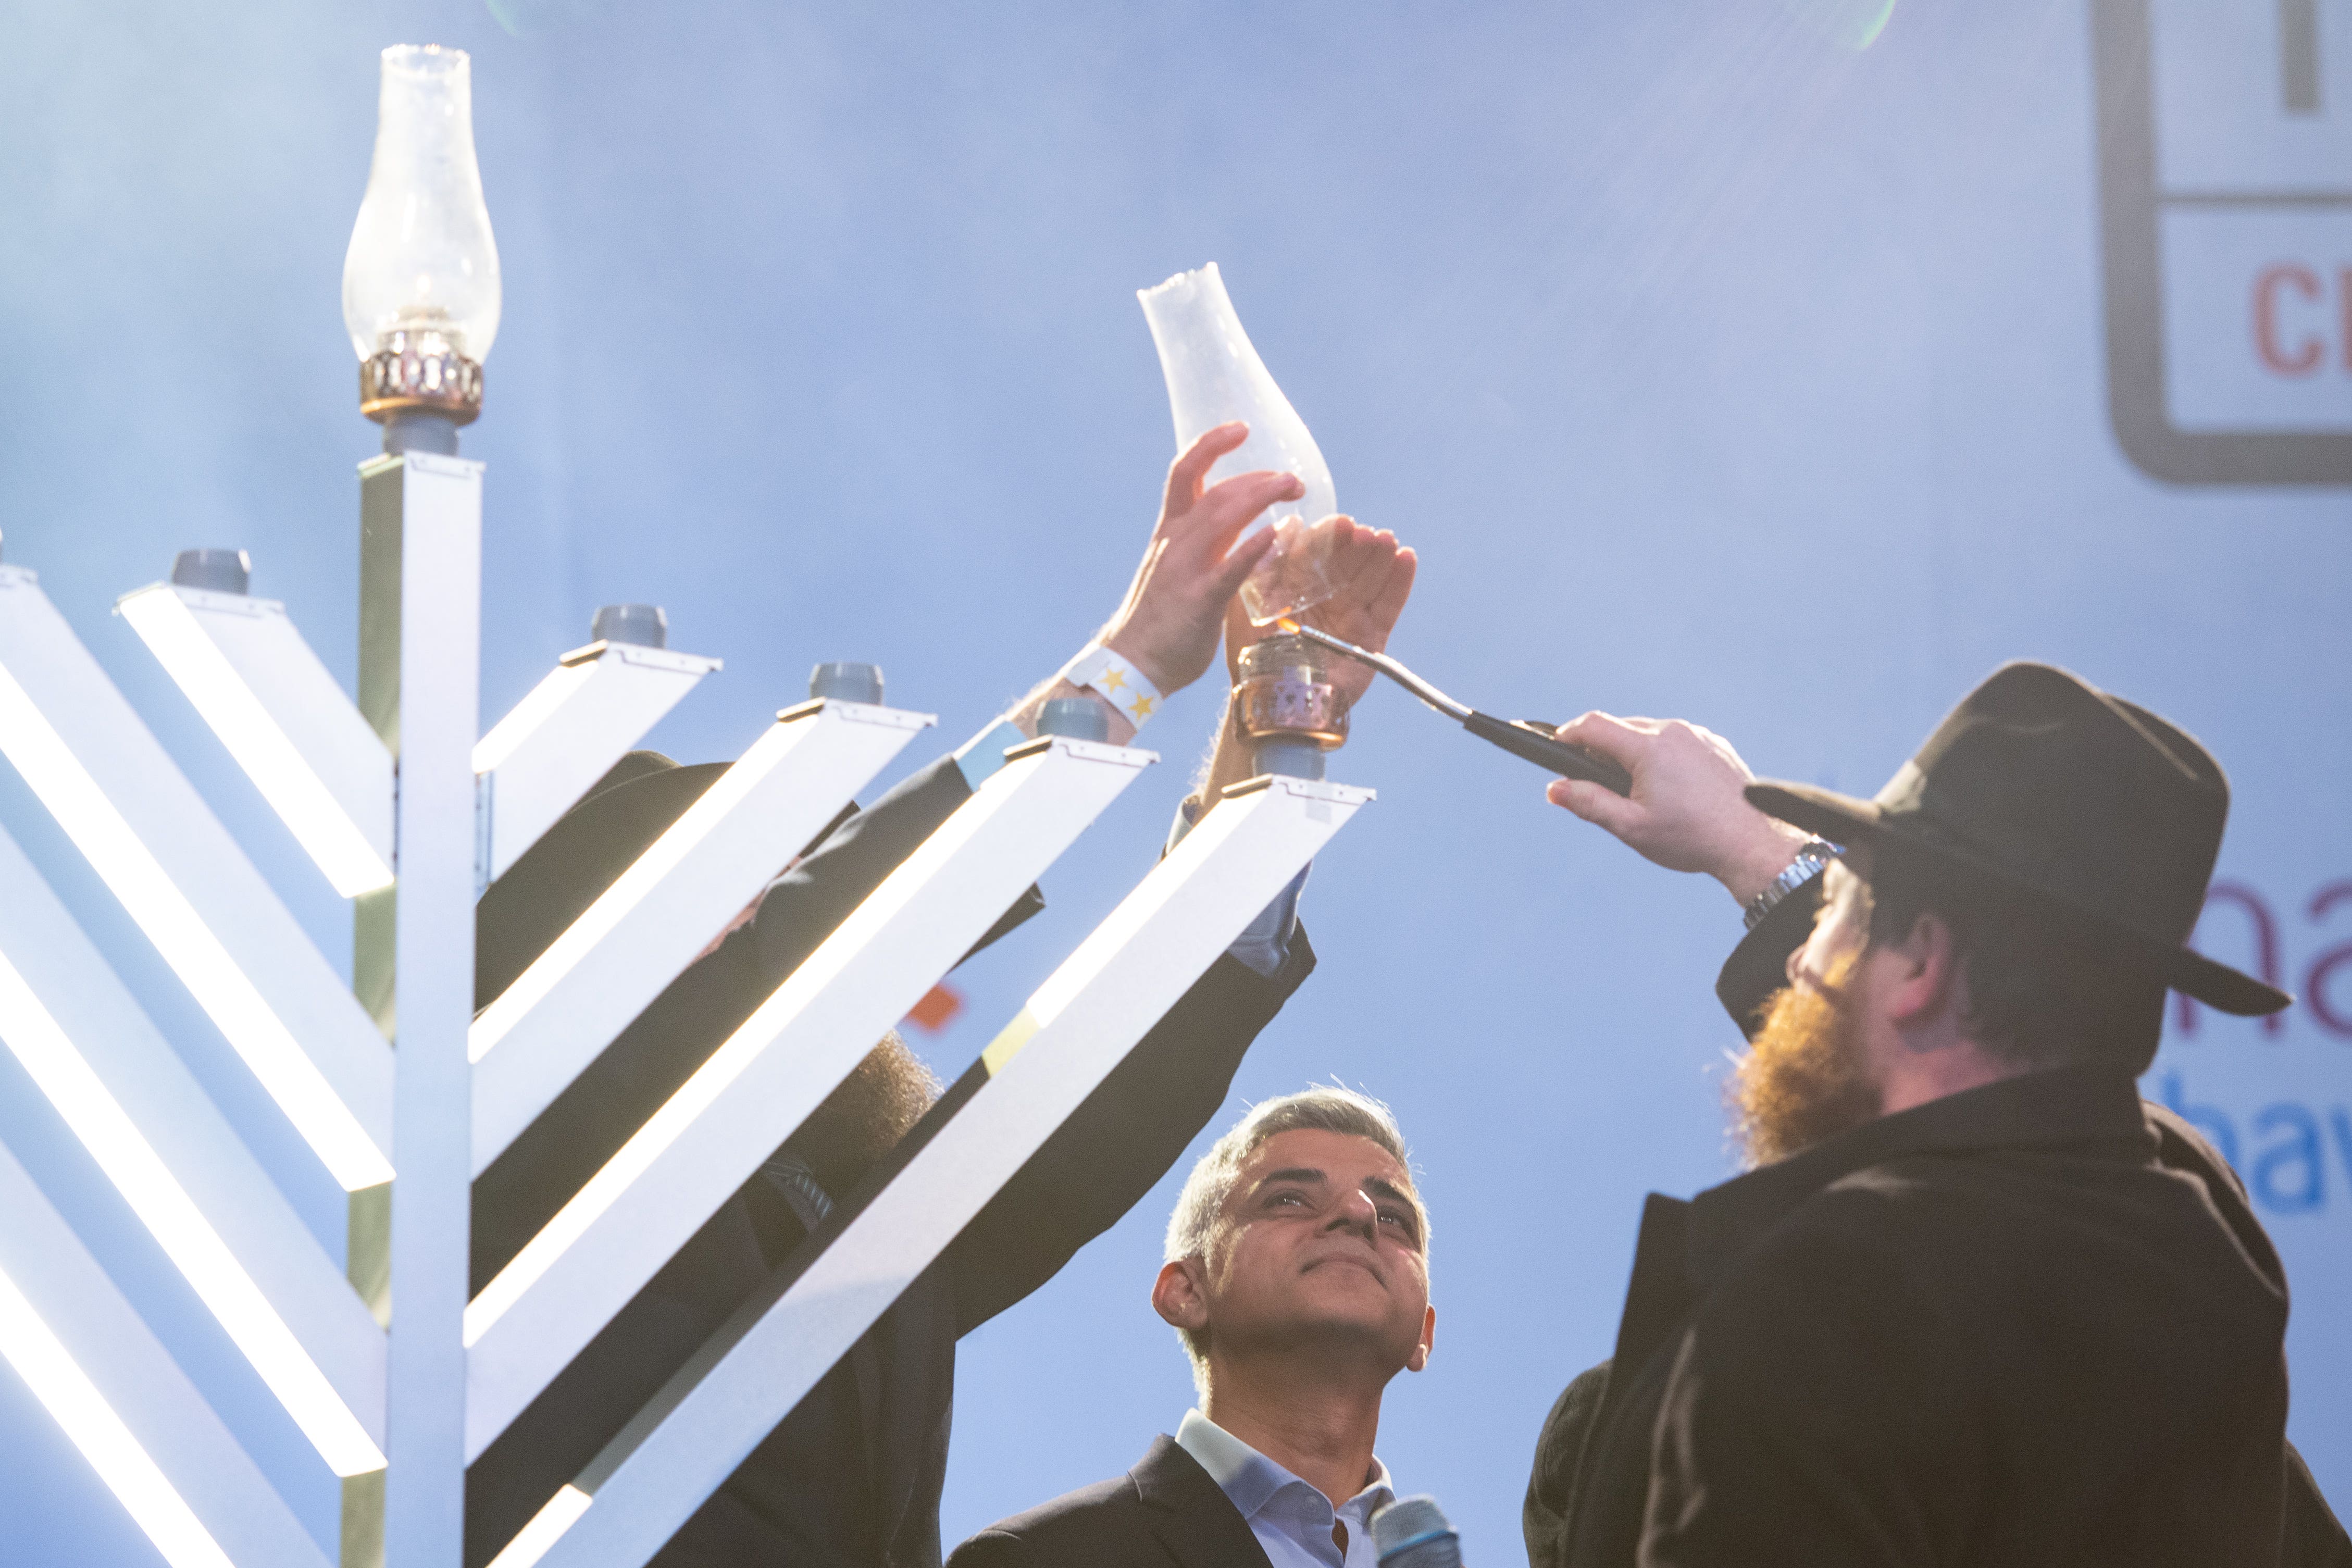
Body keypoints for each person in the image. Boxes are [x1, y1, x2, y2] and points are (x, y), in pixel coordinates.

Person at [461, 421, 1417, 1568]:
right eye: (714, 882)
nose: (760, 902)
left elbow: (1091, 1100)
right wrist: (1129, 664)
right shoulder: (516, 1113)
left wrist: (1277, 728)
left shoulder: (864, 1220)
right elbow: (809, 939)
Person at [1522, 662, 2351, 1568]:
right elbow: (2027, 1125)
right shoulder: (2199, 1233)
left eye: (1839, 908)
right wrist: (1764, 856)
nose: (1803, 967)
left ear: (1923, 963)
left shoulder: (1828, 1306)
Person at [949, 1086, 1434, 1568]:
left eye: (1393, 1218)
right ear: (1185, 1292)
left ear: (1423, 1335)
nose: (1359, 1213)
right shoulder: (1039, 1557)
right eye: (1290, 1199)